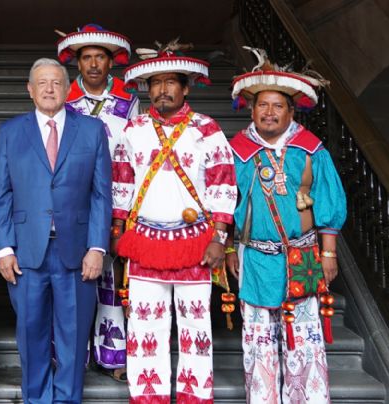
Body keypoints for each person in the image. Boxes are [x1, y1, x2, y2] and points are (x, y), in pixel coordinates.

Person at [112, 42, 237, 403]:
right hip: (145, 243)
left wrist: (219, 237)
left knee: (196, 328)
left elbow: (223, 185)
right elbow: (121, 183)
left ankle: (194, 397)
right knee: (144, 327)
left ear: (185, 88)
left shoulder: (207, 130)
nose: (162, 90)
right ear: (147, 89)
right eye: (156, 82)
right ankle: (147, 397)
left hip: (196, 244)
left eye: (171, 82)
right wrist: (118, 231)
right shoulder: (133, 129)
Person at [226, 48, 346, 403]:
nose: (269, 112)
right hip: (255, 258)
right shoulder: (237, 151)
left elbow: (329, 201)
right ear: (252, 109)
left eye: (278, 106)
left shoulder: (311, 150)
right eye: (263, 105)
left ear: (291, 111)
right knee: (258, 343)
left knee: (306, 342)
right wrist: (231, 247)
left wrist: (329, 252)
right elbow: (223, 204)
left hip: (304, 255)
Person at [0, 58, 112, 403]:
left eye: (56, 83)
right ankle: (37, 399)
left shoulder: (91, 130)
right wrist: (4, 249)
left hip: (77, 253)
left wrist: (97, 248)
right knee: (31, 334)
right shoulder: (11, 132)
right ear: (30, 90)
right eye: (41, 83)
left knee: (74, 336)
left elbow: (101, 193)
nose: (49, 89)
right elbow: (1, 195)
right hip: (26, 253)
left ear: (67, 89)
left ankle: (67, 398)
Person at [57, 23, 139, 381]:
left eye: (100, 58)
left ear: (111, 63)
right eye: (86, 57)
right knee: (74, 277)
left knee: (112, 279)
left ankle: (112, 354)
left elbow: (135, 152)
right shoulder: (65, 100)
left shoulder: (128, 101)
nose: (93, 64)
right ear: (77, 63)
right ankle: (72, 353)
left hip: (118, 197)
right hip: (74, 200)